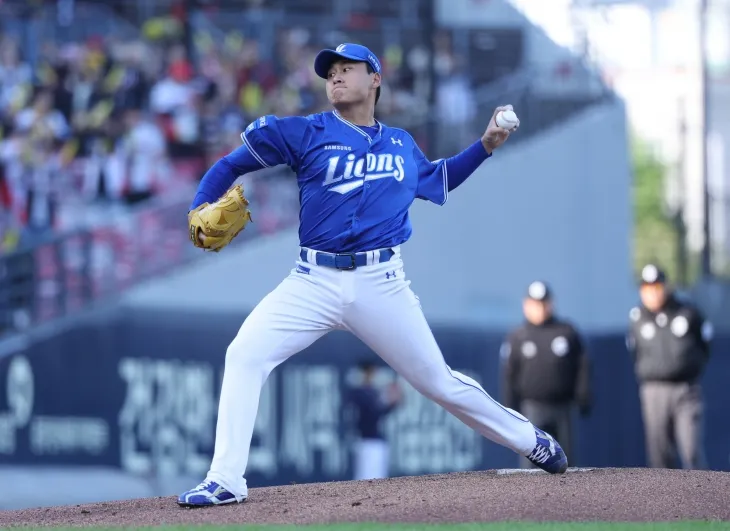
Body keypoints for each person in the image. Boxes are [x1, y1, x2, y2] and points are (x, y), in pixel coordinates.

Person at [178, 43, 568, 508]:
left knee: (439, 382)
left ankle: (530, 440)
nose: (336, 77)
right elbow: (230, 164)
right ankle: (225, 480)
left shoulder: (401, 144)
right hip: (312, 281)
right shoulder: (306, 132)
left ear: (375, 79)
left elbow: (438, 179)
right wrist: (201, 203)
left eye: (348, 69)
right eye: (331, 72)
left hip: (382, 284)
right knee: (244, 354)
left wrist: (484, 147)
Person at [627, 264, 713, 469]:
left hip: (686, 389)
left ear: (666, 287)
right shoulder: (637, 318)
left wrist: (691, 368)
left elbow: (705, 344)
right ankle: (663, 501)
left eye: (657, 287)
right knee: (659, 454)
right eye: (647, 288)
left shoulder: (687, 312)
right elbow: (634, 351)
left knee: (691, 450)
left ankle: (700, 497)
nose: (652, 293)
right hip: (654, 390)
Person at [500, 281, 591, 468]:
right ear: (525, 305)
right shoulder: (518, 336)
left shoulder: (566, 332)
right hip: (531, 409)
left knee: (565, 463)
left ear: (551, 304)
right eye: (534, 304)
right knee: (531, 463)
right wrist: (509, 409)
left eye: (543, 303)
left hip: (562, 407)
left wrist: (583, 395)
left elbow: (583, 365)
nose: (539, 309)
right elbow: (509, 375)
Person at [346, 359, 402, 480]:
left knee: (377, 478)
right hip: (367, 441)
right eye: (370, 372)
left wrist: (393, 403)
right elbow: (373, 413)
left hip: (375, 441)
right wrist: (389, 401)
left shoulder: (371, 391)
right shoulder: (360, 392)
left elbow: (379, 412)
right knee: (367, 479)